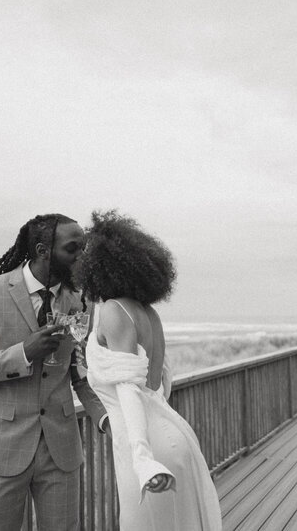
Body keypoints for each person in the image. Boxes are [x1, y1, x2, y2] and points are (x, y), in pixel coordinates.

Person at [0, 213, 108, 531]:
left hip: (61, 451)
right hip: (1, 450)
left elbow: (78, 371)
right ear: (42, 250)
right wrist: (25, 352)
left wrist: (107, 417)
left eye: (84, 248)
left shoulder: (82, 303)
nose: (82, 256)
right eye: (72, 248)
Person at [74, 210, 222, 530]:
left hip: (146, 450)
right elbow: (159, 385)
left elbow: (129, 389)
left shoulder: (112, 311)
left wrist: (142, 459)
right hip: (172, 434)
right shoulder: (149, 314)